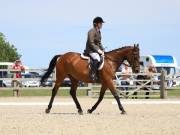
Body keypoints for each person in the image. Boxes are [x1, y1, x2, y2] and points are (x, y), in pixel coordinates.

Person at [84, 16, 105, 80]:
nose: (101, 25)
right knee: (97, 59)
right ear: (96, 24)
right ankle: (93, 74)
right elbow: (91, 42)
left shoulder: (98, 32)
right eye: (100, 23)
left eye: (101, 23)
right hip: (90, 50)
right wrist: (98, 50)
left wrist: (103, 49)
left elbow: (99, 42)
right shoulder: (91, 31)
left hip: (96, 50)